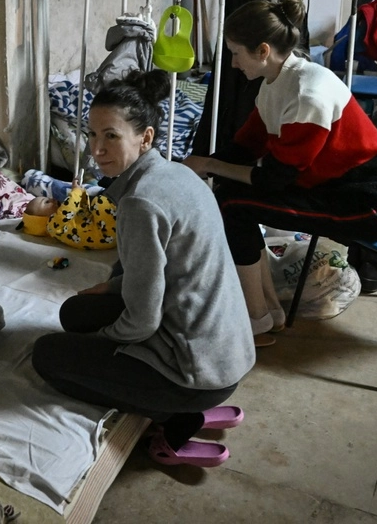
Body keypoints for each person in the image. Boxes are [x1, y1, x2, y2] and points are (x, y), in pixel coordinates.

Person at [32, 70, 256, 468]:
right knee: (74, 312)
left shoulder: (141, 203)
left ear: (146, 138)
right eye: (92, 135)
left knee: (48, 355)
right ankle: (182, 402)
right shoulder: (179, 174)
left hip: (195, 373)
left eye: (111, 136)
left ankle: (175, 420)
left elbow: (143, 322)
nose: (97, 149)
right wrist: (114, 286)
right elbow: (161, 269)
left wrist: (107, 342)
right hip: (228, 352)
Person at [181, 0, 377, 340]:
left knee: (234, 205)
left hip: (371, 204)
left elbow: (273, 179)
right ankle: (268, 310)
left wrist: (210, 165)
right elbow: (245, 148)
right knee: (230, 196)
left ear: (262, 50)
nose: (231, 64)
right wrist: (192, 169)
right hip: (335, 187)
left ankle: (255, 315)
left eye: (235, 53)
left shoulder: (307, 94)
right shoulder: (276, 82)